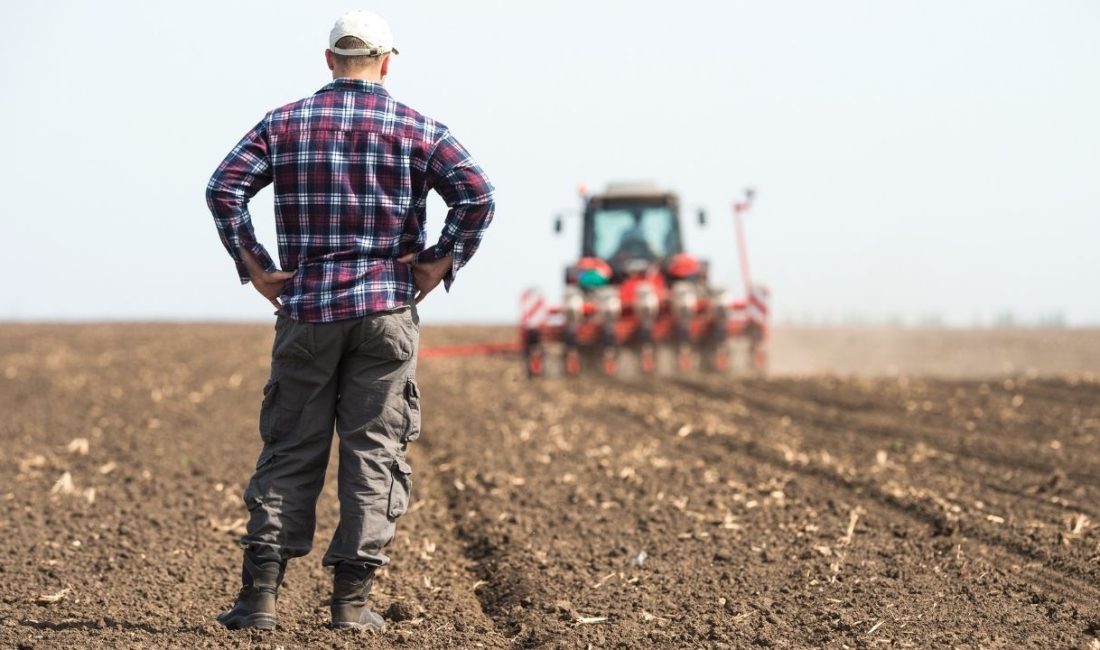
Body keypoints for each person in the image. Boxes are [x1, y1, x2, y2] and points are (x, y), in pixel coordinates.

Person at [204, 9, 495, 632]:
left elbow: (223, 187)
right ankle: (351, 605)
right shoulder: (418, 128)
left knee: (290, 449)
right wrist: (439, 261)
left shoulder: (283, 123)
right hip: (386, 312)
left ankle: (259, 602)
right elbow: (477, 194)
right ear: (387, 62)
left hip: (307, 309)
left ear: (329, 60)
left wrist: (255, 266)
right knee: (375, 453)